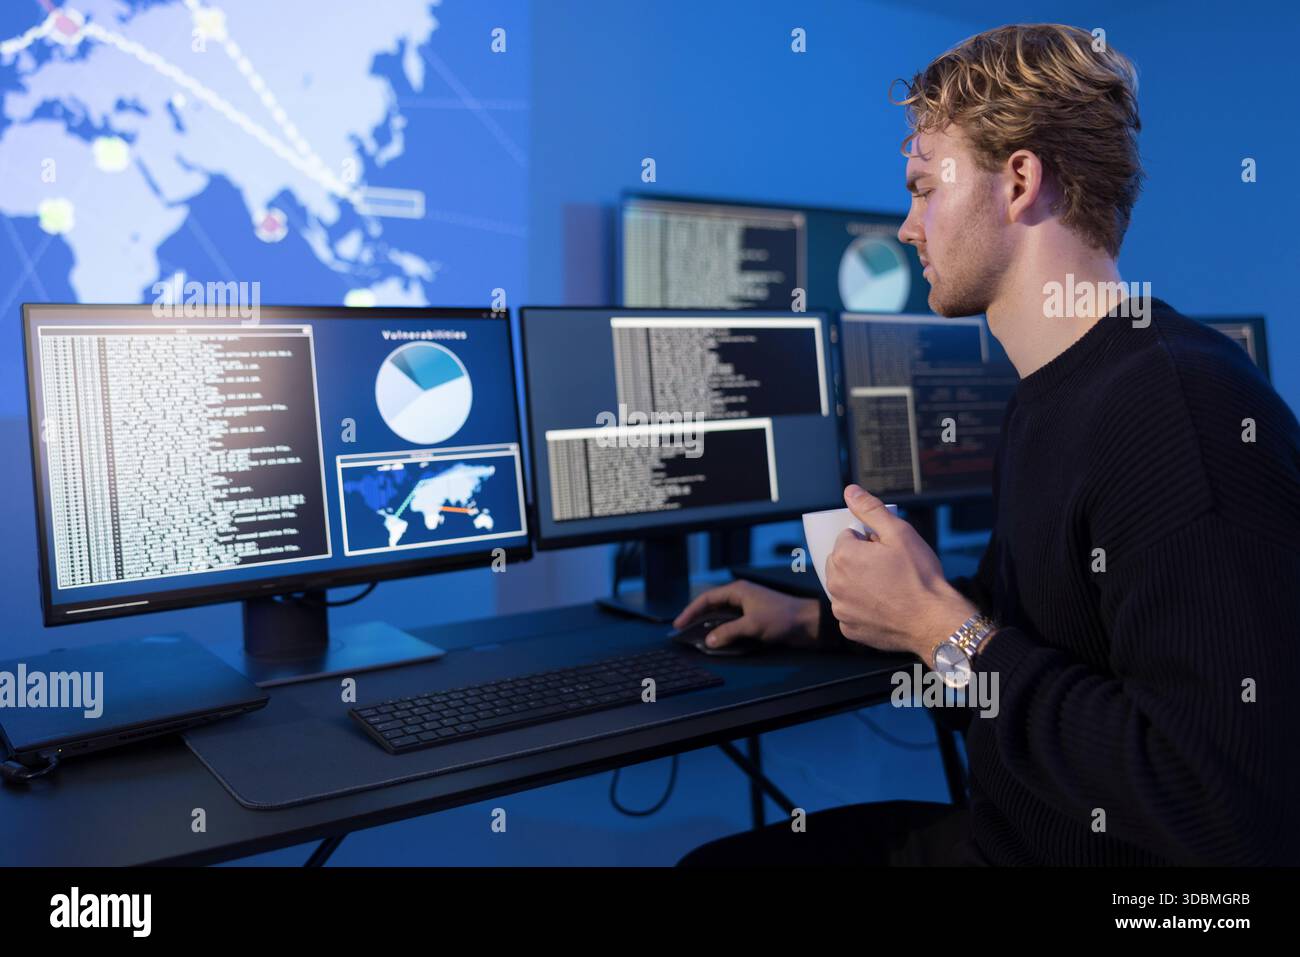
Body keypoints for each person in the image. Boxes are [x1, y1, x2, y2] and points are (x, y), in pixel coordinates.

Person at [677, 23, 1300, 866]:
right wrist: (823, 617)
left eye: (925, 187)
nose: (907, 226)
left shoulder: (1178, 414)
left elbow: (1225, 810)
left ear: (1017, 182)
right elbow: (1039, 619)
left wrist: (939, 626)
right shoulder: (1057, 391)